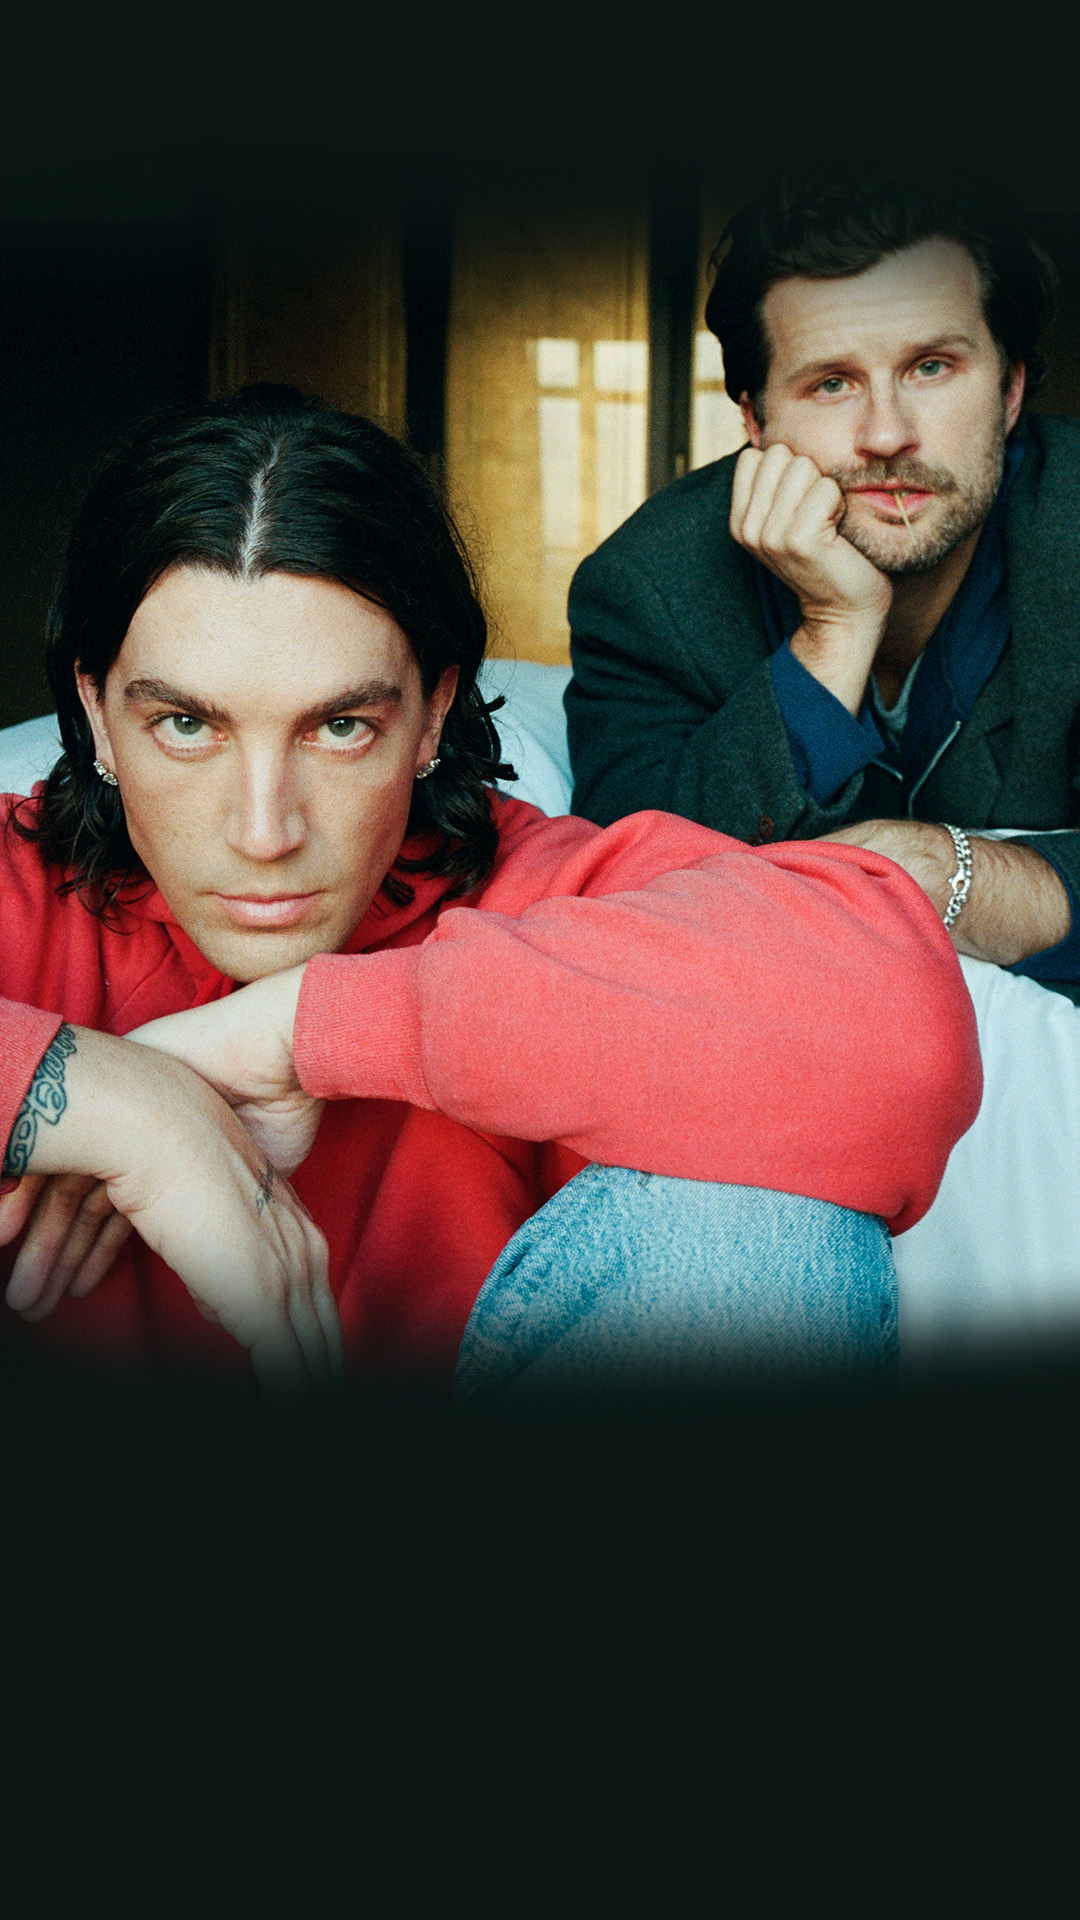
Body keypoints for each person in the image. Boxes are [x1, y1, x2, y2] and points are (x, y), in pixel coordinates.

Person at [0, 386, 979, 1406]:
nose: (263, 832)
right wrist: (100, 1098)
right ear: (98, 717)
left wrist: (305, 1027)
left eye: (340, 728)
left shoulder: (544, 899)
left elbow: (910, 1036)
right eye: (187, 727)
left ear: (432, 717)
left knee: (759, 1241)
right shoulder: (20, 894)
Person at [565, 166, 1080, 994]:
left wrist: (958, 877)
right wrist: (832, 631)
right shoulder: (644, 591)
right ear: (755, 421)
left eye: (932, 368)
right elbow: (637, 915)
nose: (886, 434)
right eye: (832, 383)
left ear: (1012, 388)